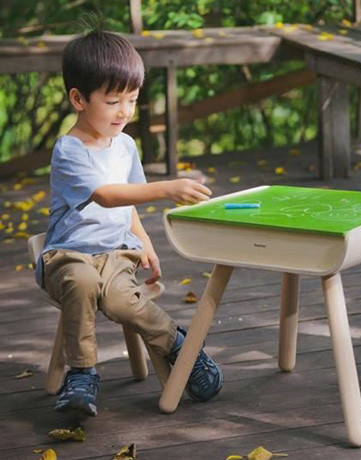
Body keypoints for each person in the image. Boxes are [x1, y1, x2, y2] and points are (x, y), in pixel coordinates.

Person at [36, 30, 222, 417]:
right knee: (83, 282)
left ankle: (180, 347)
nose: (125, 111)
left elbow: (127, 206)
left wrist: (145, 244)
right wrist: (167, 188)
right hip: (66, 255)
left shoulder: (125, 145)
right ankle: (83, 373)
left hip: (116, 254)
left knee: (123, 300)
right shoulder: (69, 150)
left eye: (133, 100)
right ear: (78, 99)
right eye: (113, 100)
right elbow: (107, 195)